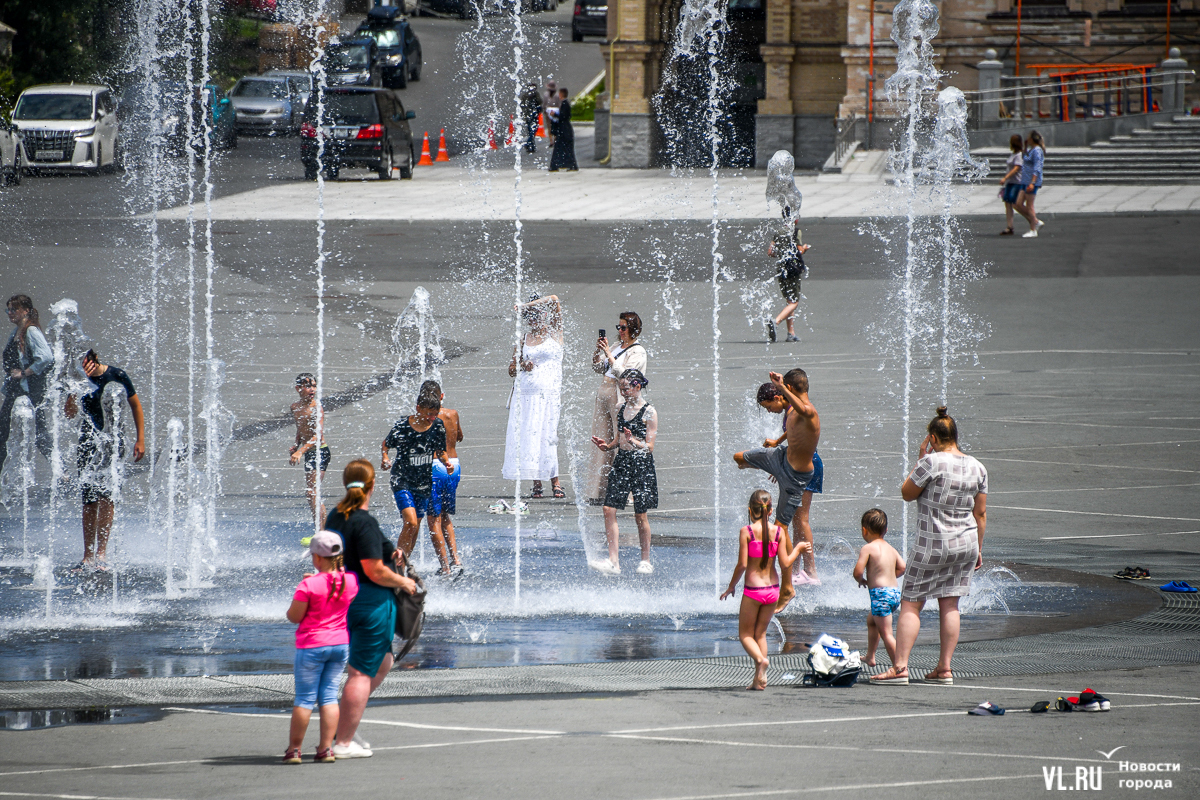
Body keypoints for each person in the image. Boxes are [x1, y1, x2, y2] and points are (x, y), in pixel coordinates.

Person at [871, 407, 988, 686]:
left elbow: (906, 493)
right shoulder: (978, 467)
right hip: (967, 543)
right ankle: (944, 669)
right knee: (950, 603)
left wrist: (921, 459)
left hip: (932, 543)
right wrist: (979, 549)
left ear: (933, 438)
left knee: (911, 604)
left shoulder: (931, 463)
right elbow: (980, 514)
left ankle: (899, 668)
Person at [324, 460, 418, 759]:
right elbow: (374, 570)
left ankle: (343, 726)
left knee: (384, 661)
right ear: (372, 486)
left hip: (344, 597)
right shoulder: (363, 521)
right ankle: (342, 741)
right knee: (360, 673)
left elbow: (351, 552)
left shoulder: (336, 516)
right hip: (371, 602)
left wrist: (391, 550)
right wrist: (403, 582)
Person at [733, 369, 820, 611]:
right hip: (781, 459)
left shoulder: (808, 411)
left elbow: (805, 412)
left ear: (787, 391)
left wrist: (781, 387)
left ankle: (787, 586)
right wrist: (777, 443)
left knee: (780, 530)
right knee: (739, 458)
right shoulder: (792, 410)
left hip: (795, 476)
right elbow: (793, 428)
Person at [719, 489, 811, 690]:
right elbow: (786, 564)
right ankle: (759, 679)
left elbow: (742, 565)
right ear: (770, 511)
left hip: (753, 590)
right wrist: (798, 549)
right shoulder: (778, 532)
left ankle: (761, 661)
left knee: (745, 635)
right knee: (760, 634)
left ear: (750, 510)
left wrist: (731, 586)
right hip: (773, 591)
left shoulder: (747, 532)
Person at [63, 349, 146, 571]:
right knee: (89, 499)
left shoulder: (117, 375)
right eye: (80, 367)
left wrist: (141, 439)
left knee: (107, 497)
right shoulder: (80, 381)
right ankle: (87, 555)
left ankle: (101, 554)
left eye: (86, 365)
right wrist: (74, 389)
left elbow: (136, 406)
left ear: (95, 360)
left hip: (113, 442)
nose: (85, 370)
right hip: (88, 442)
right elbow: (69, 413)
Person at [283, 530, 358, 764]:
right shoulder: (351, 581)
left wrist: (307, 584)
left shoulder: (308, 586)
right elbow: (337, 589)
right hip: (340, 644)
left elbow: (294, 616)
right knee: (328, 697)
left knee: (305, 698)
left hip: (312, 645)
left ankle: (294, 749)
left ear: (317, 558)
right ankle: (326, 749)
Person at [755, 381, 823, 591]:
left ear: (778, 398)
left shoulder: (797, 409)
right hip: (796, 464)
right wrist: (779, 445)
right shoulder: (789, 411)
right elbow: (793, 433)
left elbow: (802, 429)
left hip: (806, 466)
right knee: (795, 520)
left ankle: (811, 572)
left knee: (801, 520)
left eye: (768, 406)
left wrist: (788, 467)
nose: (769, 411)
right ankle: (797, 571)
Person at [589, 369, 657, 575]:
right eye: (621, 388)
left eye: (626, 388)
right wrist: (608, 446)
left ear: (637, 386)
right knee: (608, 509)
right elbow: (618, 440)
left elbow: (650, 446)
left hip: (641, 463)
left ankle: (645, 560)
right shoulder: (620, 407)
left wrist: (634, 440)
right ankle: (613, 561)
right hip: (622, 461)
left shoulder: (649, 411)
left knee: (640, 514)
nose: (623, 392)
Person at [382, 382, 455, 574]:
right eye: (428, 413)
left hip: (423, 482)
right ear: (418, 408)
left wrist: (446, 462)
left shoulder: (438, 425)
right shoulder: (402, 426)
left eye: (435, 414)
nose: (432, 418)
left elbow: (440, 451)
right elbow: (386, 443)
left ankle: (402, 563)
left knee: (414, 527)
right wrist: (385, 458)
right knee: (411, 522)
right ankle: (395, 564)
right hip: (402, 479)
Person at [504, 294, 564, 499]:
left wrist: (525, 305)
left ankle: (555, 480)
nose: (534, 320)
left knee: (548, 435)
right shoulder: (523, 340)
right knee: (530, 434)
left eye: (537, 315)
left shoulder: (555, 333)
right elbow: (511, 369)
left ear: (544, 315)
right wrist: (522, 365)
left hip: (548, 395)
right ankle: (536, 482)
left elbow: (554, 299)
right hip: (526, 394)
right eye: (530, 316)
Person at [589, 312, 647, 504]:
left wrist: (609, 355)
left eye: (624, 328)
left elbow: (627, 375)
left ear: (633, 329)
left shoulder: (637, 351)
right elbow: (598, 368)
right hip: (604, 391)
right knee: (602, 439)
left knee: (621, 440)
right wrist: (599, 352)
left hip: (620, 395)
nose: (620, 331)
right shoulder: (615, 347)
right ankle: (601, 489)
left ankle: (627, 491)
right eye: (619, 327)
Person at [0, 295, 53, 473]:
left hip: (28, 392)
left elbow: (46, 357)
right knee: (3, 433)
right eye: (8, 309)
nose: (10, 313)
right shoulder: (15, 333)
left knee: (40, 435)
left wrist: (24, 373)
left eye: (14, 309)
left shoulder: (31, 331)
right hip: (15, 392)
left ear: (26, 311)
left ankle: (63, 474)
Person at [852, 508, 906, 669]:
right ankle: (870, 656)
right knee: (872, 621)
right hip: (894, 594)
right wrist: (889, 576)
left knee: (887, 634)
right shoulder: (891, 548)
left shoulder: (867, 548)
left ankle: (899, 667)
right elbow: (902, 567)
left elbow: (858, 572)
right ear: (886, 530)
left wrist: (862, 580)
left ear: (864, 530)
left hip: (881, 596)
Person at [289, 373, 329, 525]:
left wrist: (300, 451)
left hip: (320, 451)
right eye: (308, 386)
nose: (312, 389)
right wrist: (296, 445)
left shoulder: (316, 408)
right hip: (308, 451)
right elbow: (301, 428)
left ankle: (322, 532)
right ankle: (319, 530)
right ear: (298, 388)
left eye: (314, 386)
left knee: (313, 492)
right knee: (311, 493)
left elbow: (317, 436)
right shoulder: (295, 407)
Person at [433, 383, 465, 574]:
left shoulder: (427, 418)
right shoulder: (453, 413)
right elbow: (460, 436)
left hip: (436, 464)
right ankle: (456, 559)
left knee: (433, 518)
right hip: (454, 464)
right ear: (442, 395)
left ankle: (444, 565)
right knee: (445, 515)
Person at [765, 219, 809, 343]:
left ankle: (791, 333)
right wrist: (804, 248)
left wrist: (782, 254)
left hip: (781, 268)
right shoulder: (795, 231)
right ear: (795, 219)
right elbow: (799, 250)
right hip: (792, 269)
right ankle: (776, 321)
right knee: (794, 302)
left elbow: (770, 252)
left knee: (789, 301)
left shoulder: (778, 232)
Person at [1013, 130, 1045, 239]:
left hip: (1031, 182)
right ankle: (1035, 221)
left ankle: (1033, 229)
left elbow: (1037, 167)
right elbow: (1025, 158)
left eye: (1028, 137)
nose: (1027, 139)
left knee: (1029, 205)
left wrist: (1033, 182)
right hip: (1025, 181)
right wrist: (1025, 147)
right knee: (1017, 204)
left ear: (1032, 139)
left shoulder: (1037, 151)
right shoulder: (1032, 150)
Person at [998, 134, 1024, 236]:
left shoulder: (1019, 155)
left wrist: (1005, 178)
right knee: (1008, 203)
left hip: (1016, 182)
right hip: (1010, 183)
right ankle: (1010, 227)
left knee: (1016, 204)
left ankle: (1033, 219)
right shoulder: (1014, 154)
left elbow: (1016, 168)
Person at [548, 87, 577, 172]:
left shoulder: (564, 104)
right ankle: (569, 165)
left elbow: (564, 116)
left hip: (564, 130)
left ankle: (556, 165)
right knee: (566, 149)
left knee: (560, 148)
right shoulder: (565, 104)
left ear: (561, 94)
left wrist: (555, 115)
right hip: (565, 129)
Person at [520, 82, 541, 154]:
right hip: (533, 114)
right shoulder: (535, 95)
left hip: (527, 115)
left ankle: (531, 145)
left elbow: (522, 105)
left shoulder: (525, 95)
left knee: (530, 130)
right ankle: (529, 143)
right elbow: (540, 102)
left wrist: (524, 113)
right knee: (533, 130)